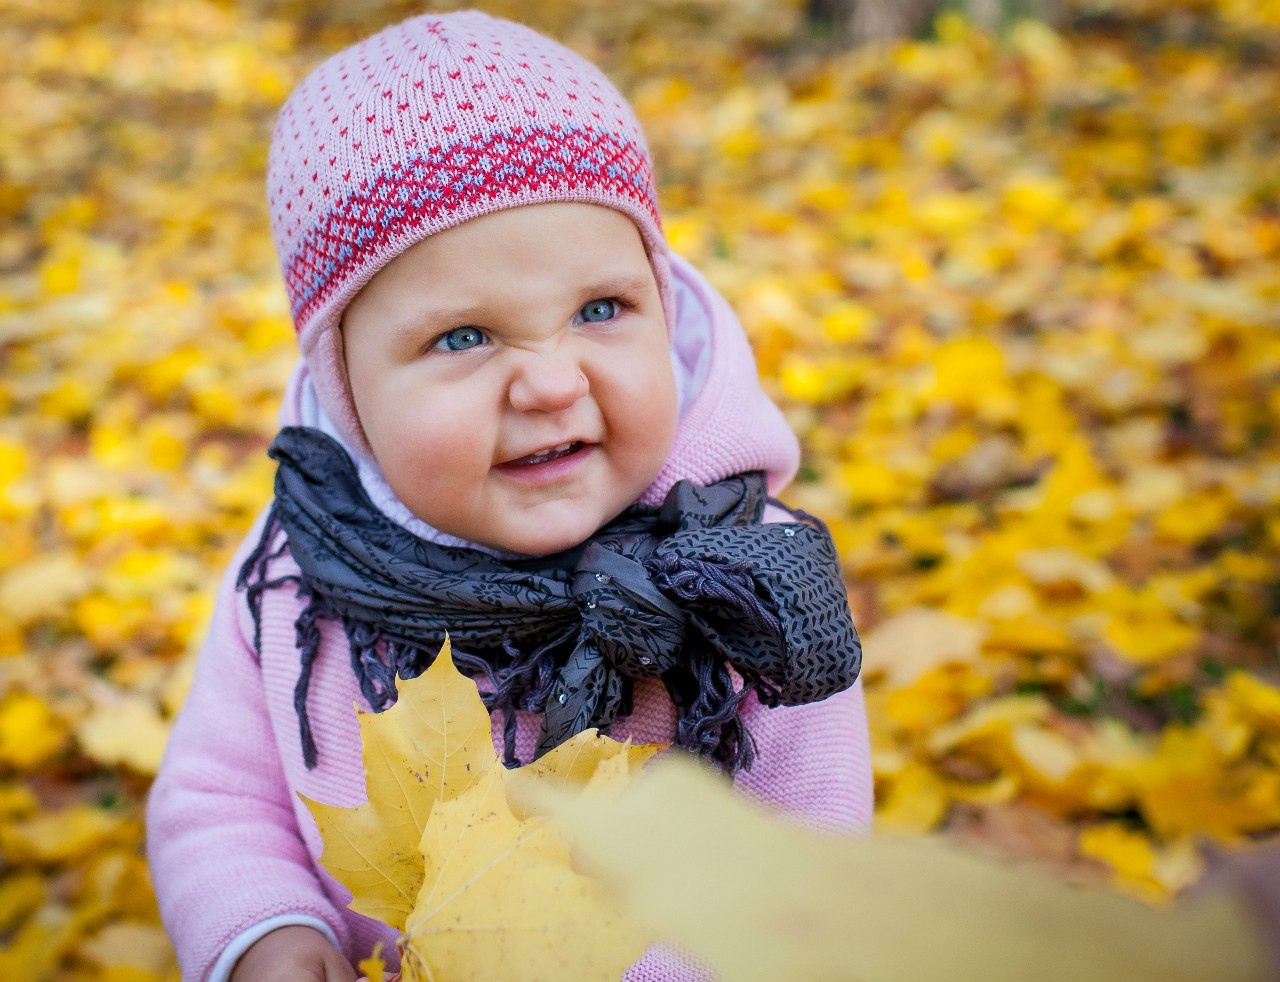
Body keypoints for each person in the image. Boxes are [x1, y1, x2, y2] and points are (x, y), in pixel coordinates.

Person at [146, 10, 873, 982]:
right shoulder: (300, 571)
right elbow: (217, 794)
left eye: (601, 310)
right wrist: (264, 928)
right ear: (345, 388)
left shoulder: (747, 581)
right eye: (462, 337)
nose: (549, 382)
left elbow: (806, 872)